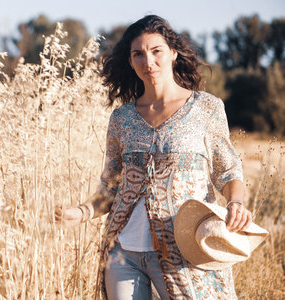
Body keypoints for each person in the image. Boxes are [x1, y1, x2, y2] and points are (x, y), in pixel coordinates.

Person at [55, 15, 253, 300]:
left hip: (185, 248)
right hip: (123, 252)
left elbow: (228, 169)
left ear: (173, 53)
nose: (148, 61)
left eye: (156, 50)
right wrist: (80, 212)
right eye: (138, 54)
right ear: (130, 61)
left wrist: (236, 203)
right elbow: (111, 186)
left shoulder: (206, 108)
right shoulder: (122, 118)